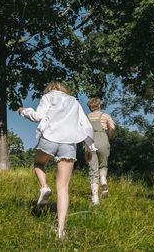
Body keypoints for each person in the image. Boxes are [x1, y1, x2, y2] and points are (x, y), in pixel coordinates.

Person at [19, 81, 96, 240]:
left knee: (39, 163)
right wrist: (90, 148)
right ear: (64, 90)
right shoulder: (74, 101)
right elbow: (86, 125)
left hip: (49, 139)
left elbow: (37, 116)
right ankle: (61, 231)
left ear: (49, 90)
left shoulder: (48, 97)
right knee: (63, 187)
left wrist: (23, 111)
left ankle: (44, 187)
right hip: (69, 143)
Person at [85, 98, 116, 204]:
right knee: (103, 165)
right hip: (103, 139)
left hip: (90, 142)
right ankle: (103, 178)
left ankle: (95, 198)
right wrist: (109, 137)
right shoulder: (105, 116)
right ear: (99, 106)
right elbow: (112, 127)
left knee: (93, 170)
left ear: (90, 107)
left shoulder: (87, 117)